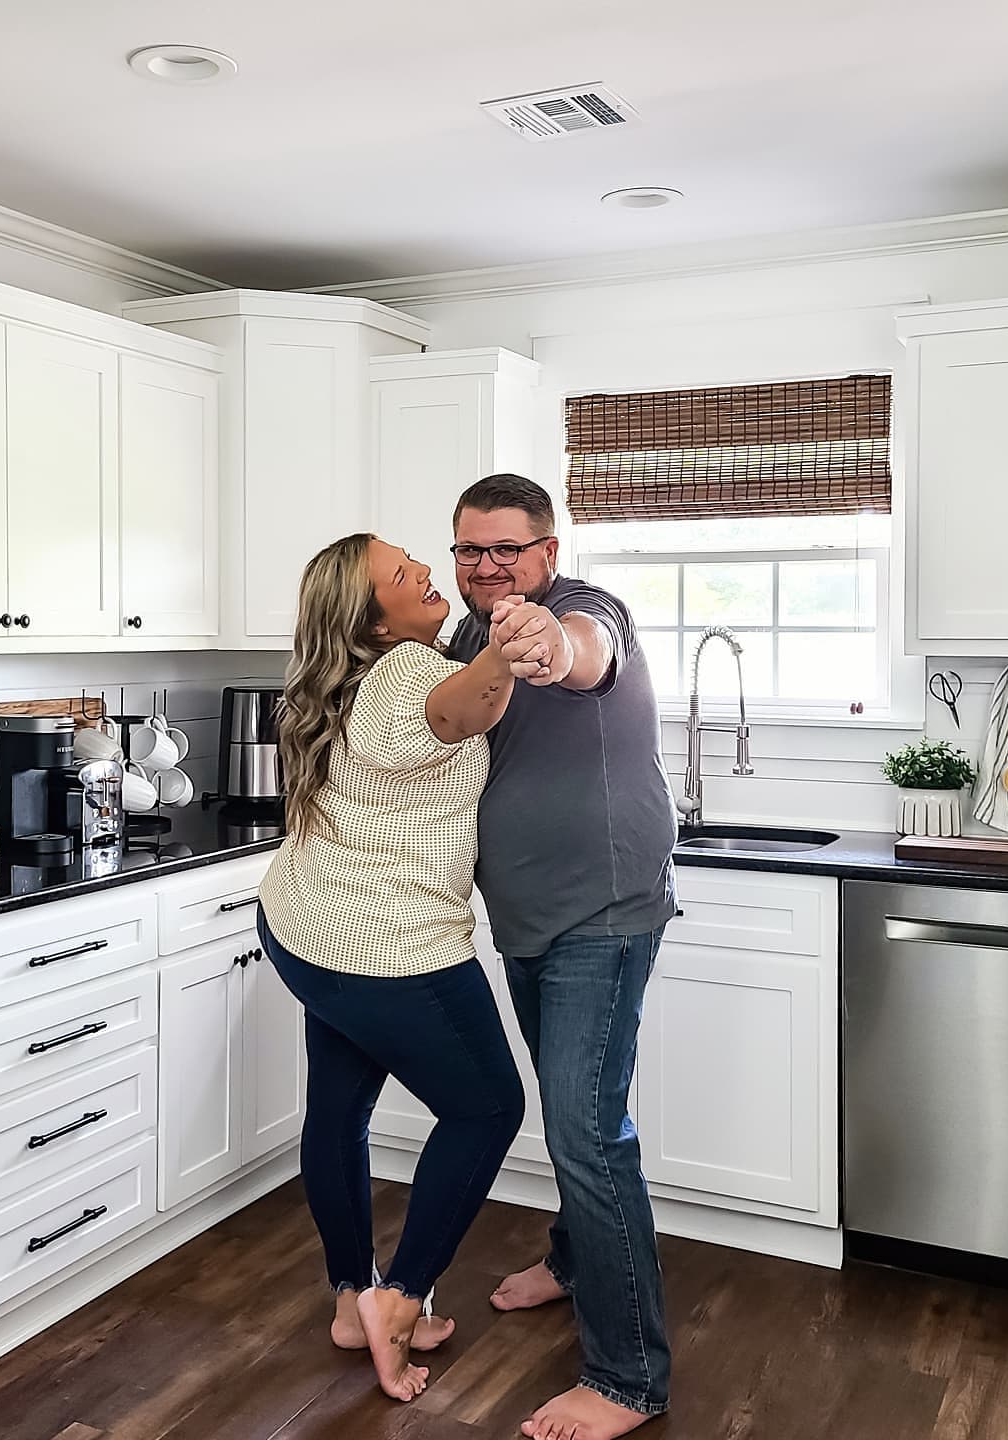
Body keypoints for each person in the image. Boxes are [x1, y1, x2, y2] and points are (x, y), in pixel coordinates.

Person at [257, 532, 559, 1405]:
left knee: (339, 1110)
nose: (425, 571)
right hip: (390, 950)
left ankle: (352, 1298)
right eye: (402, 575)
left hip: (306, 929)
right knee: (490, 1106)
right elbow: (460, 711)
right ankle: (401, 1299)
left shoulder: (337, 680)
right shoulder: (400, 675)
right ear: (371, 618)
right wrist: (506, 647)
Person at [447, 475, 680, 1440]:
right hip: (529, 912)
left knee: (587, 1132)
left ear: (548, 551)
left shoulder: (586, 611)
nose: (489, 568)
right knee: (570, 1110)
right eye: (470, 551)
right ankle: (577, 1260)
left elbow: (585, 654)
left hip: (605, 906)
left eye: (508, 550)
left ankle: (628, 1377)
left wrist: (546, 641)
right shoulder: (468, 638)